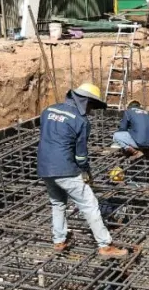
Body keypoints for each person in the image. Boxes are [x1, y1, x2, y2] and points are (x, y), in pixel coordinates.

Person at [37, 83, 128, 259]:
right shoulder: (80, 121)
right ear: (84, 101)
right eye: (91, 106)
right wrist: (85, 172)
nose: (91, 110)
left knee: (58, 203)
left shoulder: (48, 111)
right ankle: (105, 245)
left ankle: (59, 240)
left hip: (44, 166)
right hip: (65, 169)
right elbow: (80, 155)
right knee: (90, 204)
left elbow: (49, 138)